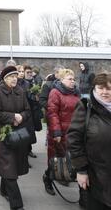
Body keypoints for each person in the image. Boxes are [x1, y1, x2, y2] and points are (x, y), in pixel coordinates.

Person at [68, 72, 111, 210]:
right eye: (101, 88)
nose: (105, 92)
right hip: (94, 173)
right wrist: (81, 170)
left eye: (109, 88)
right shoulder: (86, 107)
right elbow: (74, 139)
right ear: (94, 89)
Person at [0, 65, 31, 210]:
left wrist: (21, 117)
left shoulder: (21, 91)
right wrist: (13, 117)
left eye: (15, 76)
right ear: (5, 79)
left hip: (18, 134)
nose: (14, 79)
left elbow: (27, 110)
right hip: (3, 135)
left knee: (11, 165)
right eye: (11, 77)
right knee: (9, 166)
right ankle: (17, 204)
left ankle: (3, 190)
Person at [42, 68, 80, 196]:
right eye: (70, 79)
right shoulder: (55, 92)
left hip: (73, 133)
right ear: (62, 80)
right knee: (55, 161)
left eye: (74, 79)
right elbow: (52, 113)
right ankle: (48, 179)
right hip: (59, 133)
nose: (73, 81)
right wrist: (57, 132)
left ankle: (64, 176)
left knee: (70, 159)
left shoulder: (75, 93)